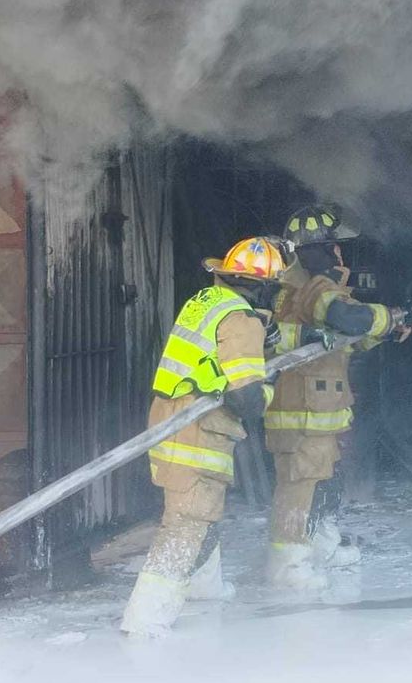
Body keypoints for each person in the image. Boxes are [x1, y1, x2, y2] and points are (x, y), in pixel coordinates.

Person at [121, 237, 289, 637]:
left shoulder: (207, 301)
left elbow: (211, 361)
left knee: (202, 509)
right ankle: (146, 619)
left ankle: (202, 588)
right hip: (198, 427)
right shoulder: (241, 320)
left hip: (172, 417)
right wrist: (270, 381)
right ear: (263, 287)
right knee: (187, 519)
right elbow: (247, 398)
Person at [264, 204, 412, 590]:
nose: (340, 255)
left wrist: (386, 329)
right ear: (319, 251)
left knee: (322, 483)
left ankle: (321, 545)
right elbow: (350, 320)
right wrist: (387, 315)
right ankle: (288, 564)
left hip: (316, 413)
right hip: (302, 413)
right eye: (335, 247)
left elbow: (339, 341)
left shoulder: (296, 290)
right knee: (299, 486)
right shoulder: (315, 288)